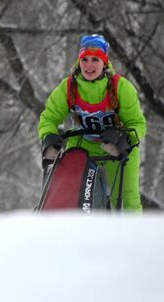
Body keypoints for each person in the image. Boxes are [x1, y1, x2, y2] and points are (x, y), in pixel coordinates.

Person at [38, 34, 146, 212]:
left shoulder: (121, 88)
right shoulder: (69, 87)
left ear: (104, 62)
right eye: (85, 59)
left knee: (127, 197)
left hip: (117, 147)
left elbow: (138, 123)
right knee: (67, 194)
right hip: (82, 144)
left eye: (95, 60)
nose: (89, 65)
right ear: (79, 61)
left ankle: (129, 237)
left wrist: (125, 138)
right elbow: (48, 117)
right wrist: (48, 135)